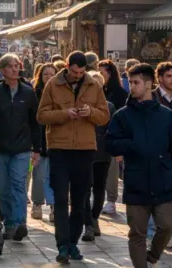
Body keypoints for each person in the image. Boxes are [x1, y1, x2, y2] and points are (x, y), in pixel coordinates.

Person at [106, 63, 172, 268]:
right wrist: (131, 145)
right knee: (137, 233)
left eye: (136, 83)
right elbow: (110, 143)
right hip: (136, 181)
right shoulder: (123, 115)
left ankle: (152, 256)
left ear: (148, 84)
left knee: (168, 225)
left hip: (163, 179)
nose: (132, 87)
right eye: (131, 83)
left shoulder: (166, 115)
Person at [37, 51, 110, 263]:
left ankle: (72, 243)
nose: (77, 75)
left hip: (85, 150)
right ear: (67, 66)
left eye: (81, 72)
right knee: (60, 198)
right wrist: (63, 114)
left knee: (80, 199)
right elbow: (41, 116)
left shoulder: (94, 86)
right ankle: (62, 245)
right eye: (74, 71)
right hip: (59, 149)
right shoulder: (53, 84)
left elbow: (104, 116)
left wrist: (90, 112)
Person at [0, 54, 41, 242]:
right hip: (0, 147)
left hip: (22, 148)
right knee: (3, 188)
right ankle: (8, 221)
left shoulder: (28, 93)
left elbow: (35, 123)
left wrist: (37, 149)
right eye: (11, 66)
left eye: (17, 66)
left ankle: (18, 223)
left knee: (18, 186)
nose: (15, 69)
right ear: (3, 70)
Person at [147, 61, 172, 249]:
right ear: (160, 78)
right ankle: (153, 232)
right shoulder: (151, 97)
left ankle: (165, 232)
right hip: (154, 152)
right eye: (169, 76)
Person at [81, 72, 116, 242]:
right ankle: (88, 223)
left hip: (102, 153)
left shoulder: (108, 106)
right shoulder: (80, 105)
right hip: (84, 151)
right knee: (85, 189)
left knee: (99, 187)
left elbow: (113, 130)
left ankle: (94, 217)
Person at [98, 59, 129, 215]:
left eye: (102, 72)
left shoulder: (119, 93)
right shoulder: (96, 90)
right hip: (96, 136)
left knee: (111, 170)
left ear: (109, 73)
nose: (99, 75)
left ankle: (111, 200)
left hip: (113, 136)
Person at [29, 63, 57, 222]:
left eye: (52, 74)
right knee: (38, 175)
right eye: (45, 74)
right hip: (39, 139)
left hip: (56, 140)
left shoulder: (61, 94)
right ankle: (37, 204)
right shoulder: (35, 95)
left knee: (54, 176)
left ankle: (54, 205)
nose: (49, 77)